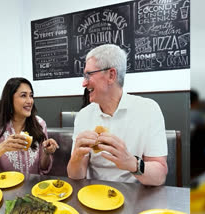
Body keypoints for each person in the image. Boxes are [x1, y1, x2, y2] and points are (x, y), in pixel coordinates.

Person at [67, 44, 168, 186]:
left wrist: (132, 163)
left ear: (111, 75)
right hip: (92, 195)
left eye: (88, 75)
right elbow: (75, 175)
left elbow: (159, 176)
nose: (84, 83)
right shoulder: (84, 115)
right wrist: (76, 158)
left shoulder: (149, 110)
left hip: (135, 196)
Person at [0, 77, 59, 175]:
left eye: (31, 96)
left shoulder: (40, 124)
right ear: (9, 99)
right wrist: (3, 147)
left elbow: (44, 168)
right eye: (23, 95)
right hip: (7, 188)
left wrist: (46, 152)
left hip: (34, 188)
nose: (29, 101)